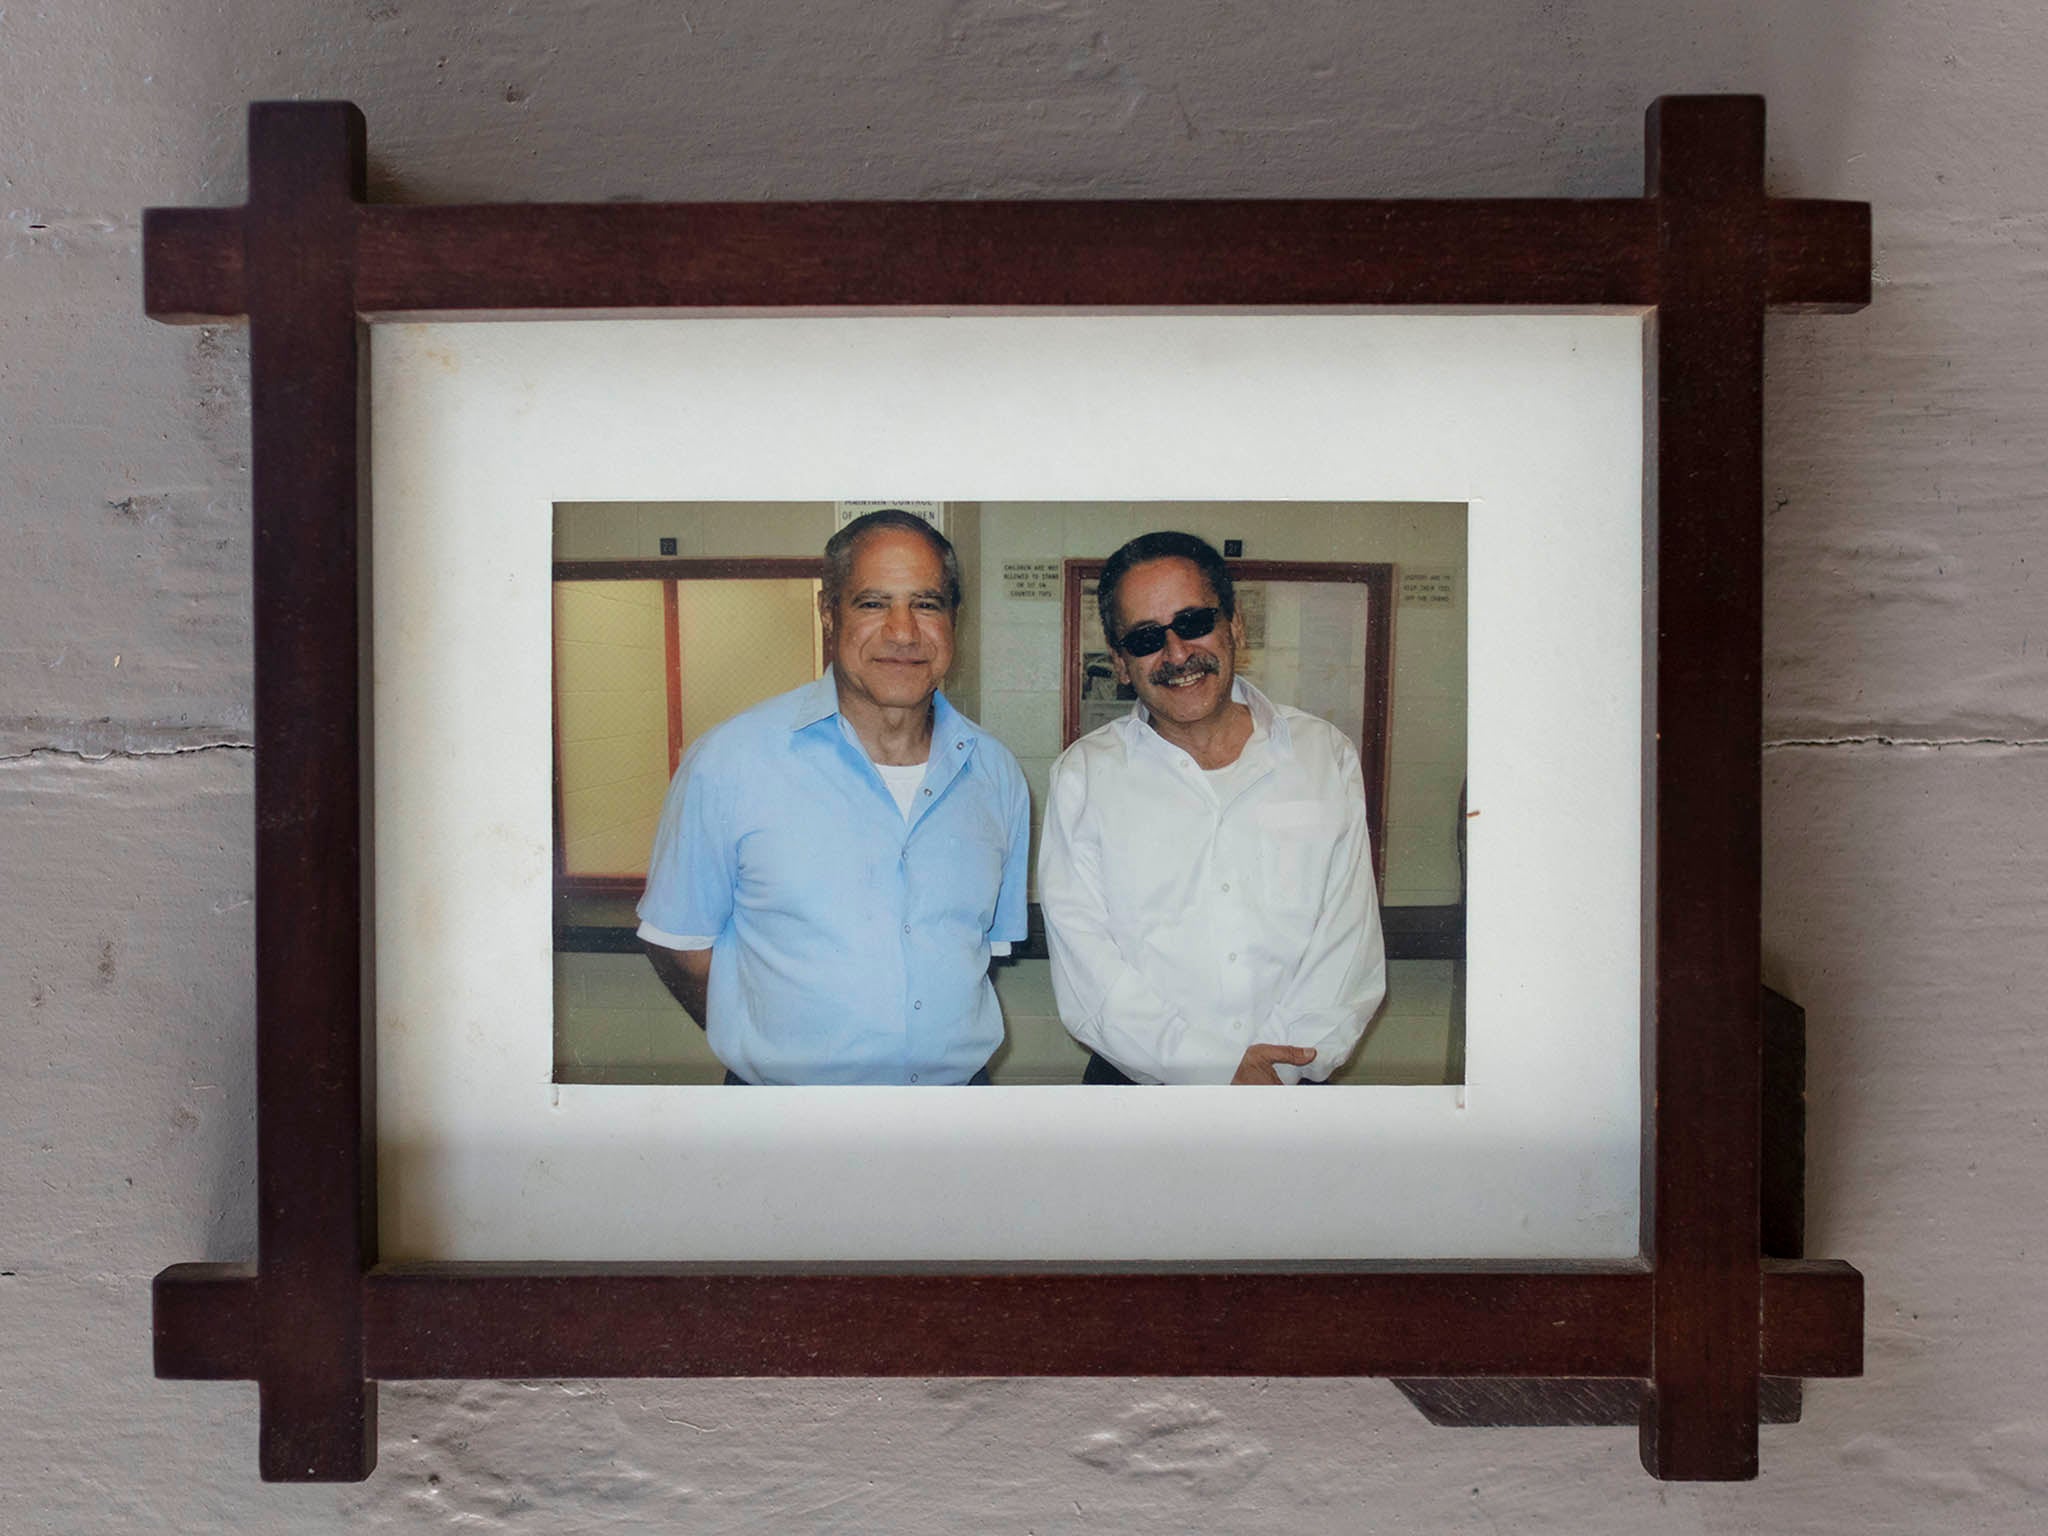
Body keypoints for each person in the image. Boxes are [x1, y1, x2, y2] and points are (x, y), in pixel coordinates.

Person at [636, 510, 1030, 1085]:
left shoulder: (995, 773)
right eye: (873, 604)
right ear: (829, 613)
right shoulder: (730, 762)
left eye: (926, 603)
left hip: (955, 1119)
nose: (903, 632)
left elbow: (977, 954)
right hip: (786, 1125)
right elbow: (679, 948)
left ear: (953, 621)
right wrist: (770, 1051)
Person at [1039, 531, 1386, 1085]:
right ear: (1122, 664)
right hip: (1137, 1093)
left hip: (1289, 1084)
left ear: (1235, 627)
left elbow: (1347, 940)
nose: (1177, 654)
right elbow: (1089, 970)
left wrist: (1272, 1072)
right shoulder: (1084, 778)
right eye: (1147, 637)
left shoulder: (1324, 756)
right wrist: (1219, 1070)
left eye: (1194, 623)